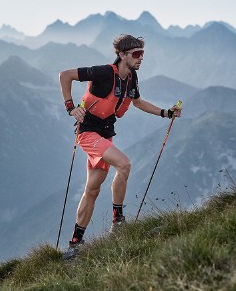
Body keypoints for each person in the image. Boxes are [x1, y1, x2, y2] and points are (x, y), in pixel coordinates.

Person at [58, 34, 182, 258]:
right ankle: (118, 222)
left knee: (92, 189)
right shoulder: (104, 72)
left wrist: (166, 113)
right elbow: (65, 75)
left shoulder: (131, 78)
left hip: (105, 134)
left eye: (142, 54)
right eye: (136, 54)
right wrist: (70, 107)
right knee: (124, 164)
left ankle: (75, 243)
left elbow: (137, 102)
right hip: (88, 132)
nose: (140, 58)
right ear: (122, 55)